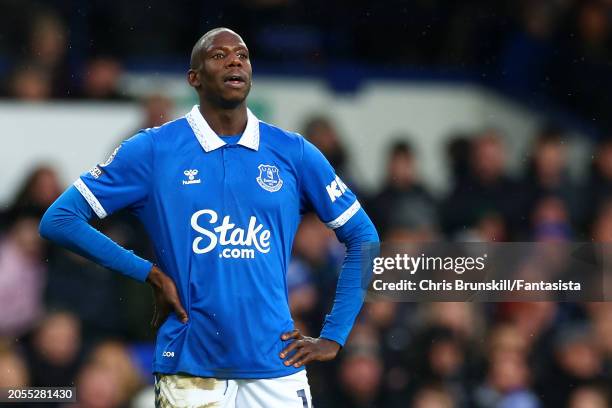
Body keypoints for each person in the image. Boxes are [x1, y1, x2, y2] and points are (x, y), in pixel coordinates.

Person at [39, 27, 378, 407]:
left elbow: (363, 236)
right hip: (190, 368)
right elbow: (60, 219)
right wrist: (148, 272)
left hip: (278, 366)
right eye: (219, 55)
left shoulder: (293, 152)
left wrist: (334, 335)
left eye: (243, 55)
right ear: (194, 78)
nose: (235, 60)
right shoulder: (154, 149)